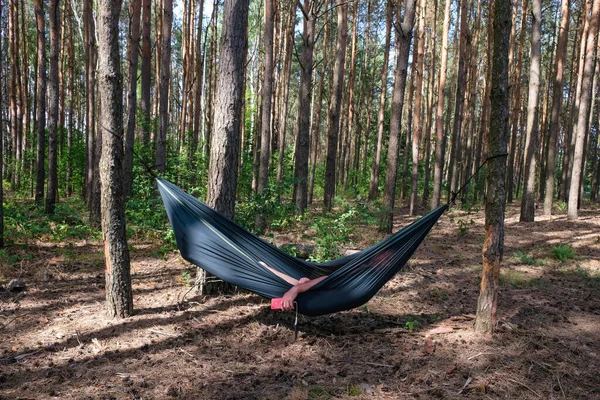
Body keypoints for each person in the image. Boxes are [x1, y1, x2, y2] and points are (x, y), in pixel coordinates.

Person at [258, 261, 328, 311]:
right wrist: (299, 287)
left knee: (300, 285)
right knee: (300, 283)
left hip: (322, 296)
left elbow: (331, 280)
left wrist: (296, 288)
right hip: (318, 294)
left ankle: (266, 269)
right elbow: (329, 279)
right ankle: (266, 269)